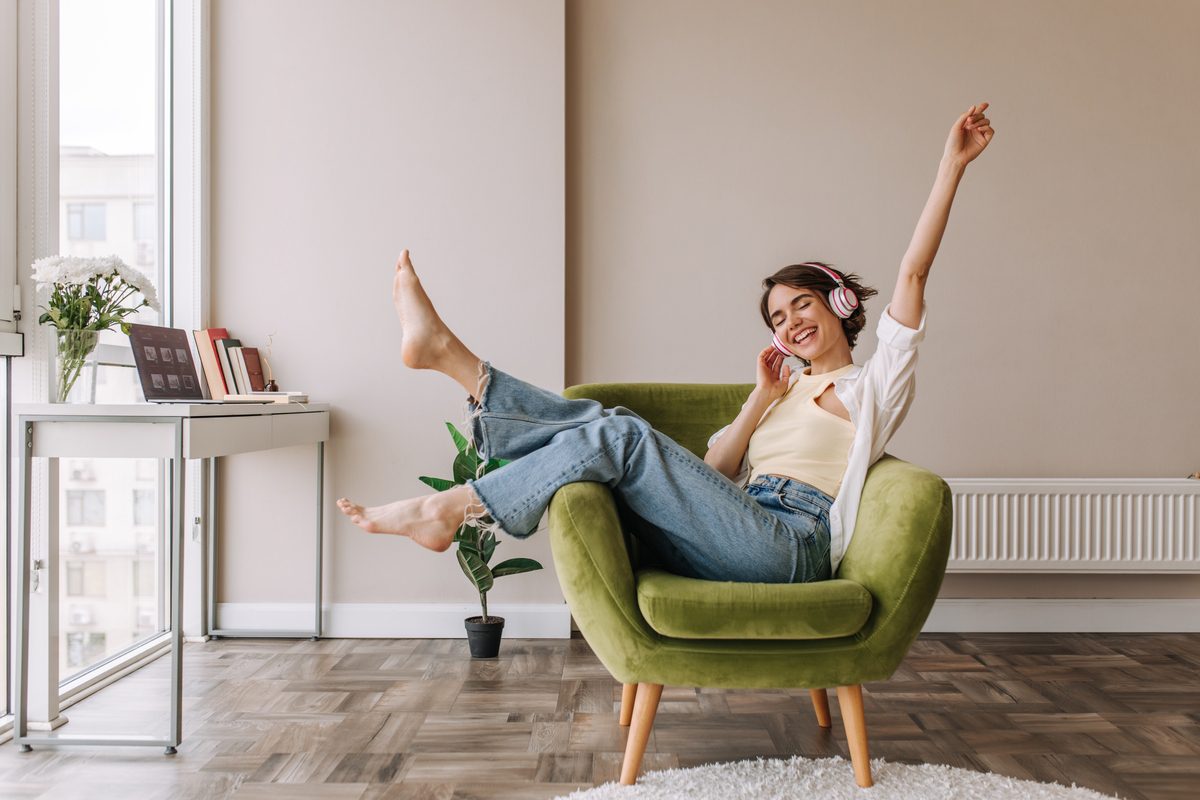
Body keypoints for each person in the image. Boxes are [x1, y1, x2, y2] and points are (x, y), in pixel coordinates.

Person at [337, 102, 994, 583]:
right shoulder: (785, 390)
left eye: (803, 304)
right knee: (618, 428)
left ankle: (452, 485)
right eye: (777, 317)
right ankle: (456, 373)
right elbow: (709, 481)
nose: (790, 322)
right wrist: (759, 401)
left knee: (621, 434)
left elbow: (912, 274)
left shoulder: (871, 385)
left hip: (792, 547)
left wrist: (951, 166)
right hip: (734, 529)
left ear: (840, 306)